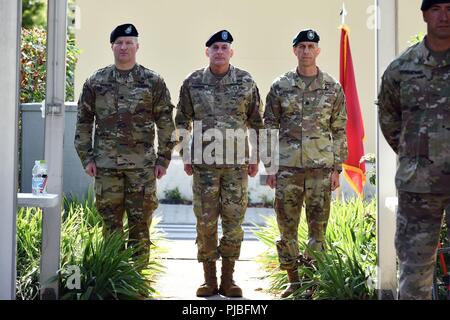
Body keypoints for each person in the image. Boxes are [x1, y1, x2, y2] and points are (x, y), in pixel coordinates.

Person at [74, 23, 175, 264]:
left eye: (129, 42)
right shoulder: (95, 82)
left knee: (140, 226)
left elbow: (166, 124)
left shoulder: (153, 82)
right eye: (119, 42)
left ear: (137, 46)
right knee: (110, 224)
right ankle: (115, 279)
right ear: (111, 46)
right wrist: (86, 157)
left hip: (142, 168)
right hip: (106, 166)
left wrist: (164, 159)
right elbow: (83, 122)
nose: (124, 47)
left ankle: (137, 279)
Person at [175, 30, 264, 297]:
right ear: (207, 52)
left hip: (237, 166)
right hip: (204, 166)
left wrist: (256, 155)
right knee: (205, 222)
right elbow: (181, 121)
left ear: (231, 52)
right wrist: (185, 154)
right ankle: (209, 280)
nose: (220, 51)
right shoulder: (193, 82)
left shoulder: (246, 81)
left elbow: (256, 122)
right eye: (215, 47)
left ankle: (229, 279)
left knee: (234, 222)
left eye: (225, 47)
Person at [264, 29, 348, 298]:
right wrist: (270, 166)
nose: (307, 51)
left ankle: (312, 283)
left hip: (320, 170)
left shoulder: (332, 87)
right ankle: (294, 281)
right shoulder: (280, 86)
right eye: (302, 46)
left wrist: (337, 168)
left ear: (318, 51)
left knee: (318, 232)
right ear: (295, 51)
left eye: (311, 46)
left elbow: (339, 128)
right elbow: (269, 126)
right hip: (288, 170)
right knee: (286, 228)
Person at [378, 0, 450, 300]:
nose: (444, 16)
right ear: (424, 15)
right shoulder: (401, 69)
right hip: (418, 188)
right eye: (436, 9)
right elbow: (389, 120)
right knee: (415, 276)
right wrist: (416, 156)